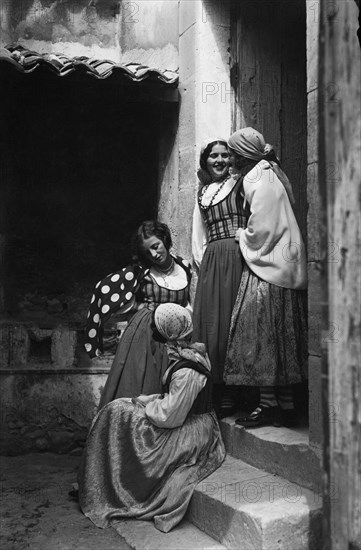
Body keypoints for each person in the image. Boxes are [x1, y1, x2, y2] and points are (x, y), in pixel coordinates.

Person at [78, 303, 226, 533]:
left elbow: (170, 416)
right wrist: (148, 400)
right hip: (182, 417)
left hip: (192, 430)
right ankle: (103, 483)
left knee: (120, 417)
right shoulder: (188, 357)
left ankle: (115, 488)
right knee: (118, 409)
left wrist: (146, 408)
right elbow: (174, 400)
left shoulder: (187, 370)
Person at [224, 127, 308, 428]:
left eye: (233, 152)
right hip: (285, 266)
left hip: (269, 268)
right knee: (282, 339)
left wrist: (241, 235)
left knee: (262, 337)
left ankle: (269, 405)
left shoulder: (256, 178)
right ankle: (285, 405)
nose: (230, 157)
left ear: (244, 153)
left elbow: (263, 228)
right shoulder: (269, 171)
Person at [84, 220, 192, 408]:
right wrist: (142, 307)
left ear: (165, 240)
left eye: (156, 246)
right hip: (147, 335)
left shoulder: (185, 267)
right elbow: (103, 289)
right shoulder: (141, 272)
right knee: (141, 387)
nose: (153, 254)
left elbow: (190, 302)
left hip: (177, 336)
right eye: (147, 251)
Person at [191, 138, 251, 416]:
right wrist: (205, 265)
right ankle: (217, 389)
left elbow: (257, 218)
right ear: (206, 161)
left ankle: (238, 391)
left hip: (237, 257)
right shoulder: (202, 194)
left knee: (233, 322)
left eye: (225, 155)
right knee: (212, 325)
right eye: (213, 156)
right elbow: (198, 235)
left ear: (232, 159)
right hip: (213, 262)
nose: (219, 160)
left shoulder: (242, 185)